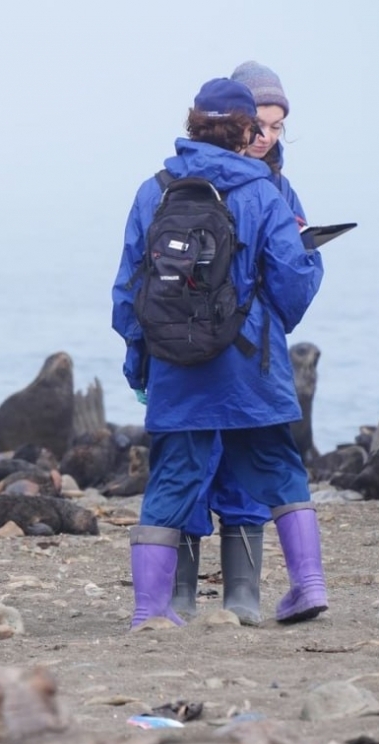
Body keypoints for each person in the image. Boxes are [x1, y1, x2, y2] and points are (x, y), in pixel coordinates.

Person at [111, 78, 327, 630]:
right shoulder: (262, 192)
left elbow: (128, 292)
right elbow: (292, 279)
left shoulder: (154, 191)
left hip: (175, 365)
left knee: (171, 477)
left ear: (193, 124)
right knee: (279, 468)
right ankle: (308, 586)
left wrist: (140, 364)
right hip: (248, 365)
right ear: (245, 131)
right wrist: (269, 323)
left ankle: (149, 610)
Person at [170, 61, 308, 626]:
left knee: (202, 469)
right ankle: (218, 597)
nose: (266, 137)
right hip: (243, 353)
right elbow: (292, 282)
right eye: (260, 124)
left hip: (193, 351)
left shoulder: (170, 184)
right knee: (208, 466)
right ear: (237, 121)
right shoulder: (265, 193)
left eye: (277, 127)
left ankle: (221, 597)